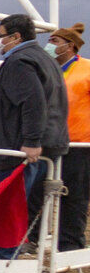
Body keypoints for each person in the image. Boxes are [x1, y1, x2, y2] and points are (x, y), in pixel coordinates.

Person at [0, 13, 70, 258]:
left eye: (0, 36)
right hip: (51, 146)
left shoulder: (19, 62)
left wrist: (31, 141)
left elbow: (33, 102)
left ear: (16, 36)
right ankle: (12, 249)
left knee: (8, 204)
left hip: (21, 150)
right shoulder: (46, 59)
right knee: (26, 206)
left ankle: (4, 254)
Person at [48, 22, 90, 250]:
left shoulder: (87, 69)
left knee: (74, 197)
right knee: (38, 194)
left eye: (54, 42)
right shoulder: (48, 70)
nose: (49, 45)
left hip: (80, 145)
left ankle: (70, 245)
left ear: (70, 46)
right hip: (49, 143)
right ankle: (34, 239)